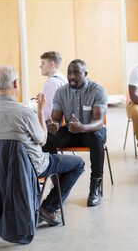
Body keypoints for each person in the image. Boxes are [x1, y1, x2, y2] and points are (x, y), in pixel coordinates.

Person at [0, 65, 85, 226]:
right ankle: (48, 208)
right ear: (15, 84)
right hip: (28, 166)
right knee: (78, 164)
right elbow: (42, 140)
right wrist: (40, 111)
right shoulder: (24, 113)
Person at [42, 59, 107, 207]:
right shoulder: (61, 92)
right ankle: (58, 181)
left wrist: (83, 128)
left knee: (97, 138)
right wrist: (53, 126)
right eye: (69, 72)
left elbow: (99, 121)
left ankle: (95, 187)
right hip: (71, 131)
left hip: (91, 131)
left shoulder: (97, 90)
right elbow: (56, 119)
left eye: (76, 73)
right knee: (48, 137)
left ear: (85, 74)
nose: (72, 76)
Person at [39, 51, 67, 120]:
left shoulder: (51, 82)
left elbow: (48, 113)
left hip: (51, 123)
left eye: (43, 63)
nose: (40, 66)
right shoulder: (63, 78)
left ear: (51, 65)